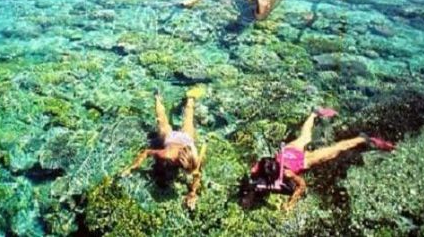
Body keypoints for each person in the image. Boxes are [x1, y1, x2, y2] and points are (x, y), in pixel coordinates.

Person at [242, 108, 395, 211]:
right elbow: (252, 175)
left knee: (335, 150)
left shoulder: (287, 173)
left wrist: (291, 203)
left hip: (301, 160)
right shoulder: (262, 164)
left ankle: (364, 139)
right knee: (305, 136)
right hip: (288, 151)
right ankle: (314, 113)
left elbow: (302, 186)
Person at [121, 87, 207, 210]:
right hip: (171, 138)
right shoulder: (167, 154)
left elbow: (197, 175)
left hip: (186, 141)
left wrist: (192, 193)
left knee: (189, 118)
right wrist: (132, 167)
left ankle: (190, 97)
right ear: (180, 163)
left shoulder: (194, 160)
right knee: (162, 120)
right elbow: (147, 152)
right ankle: (157, 97)